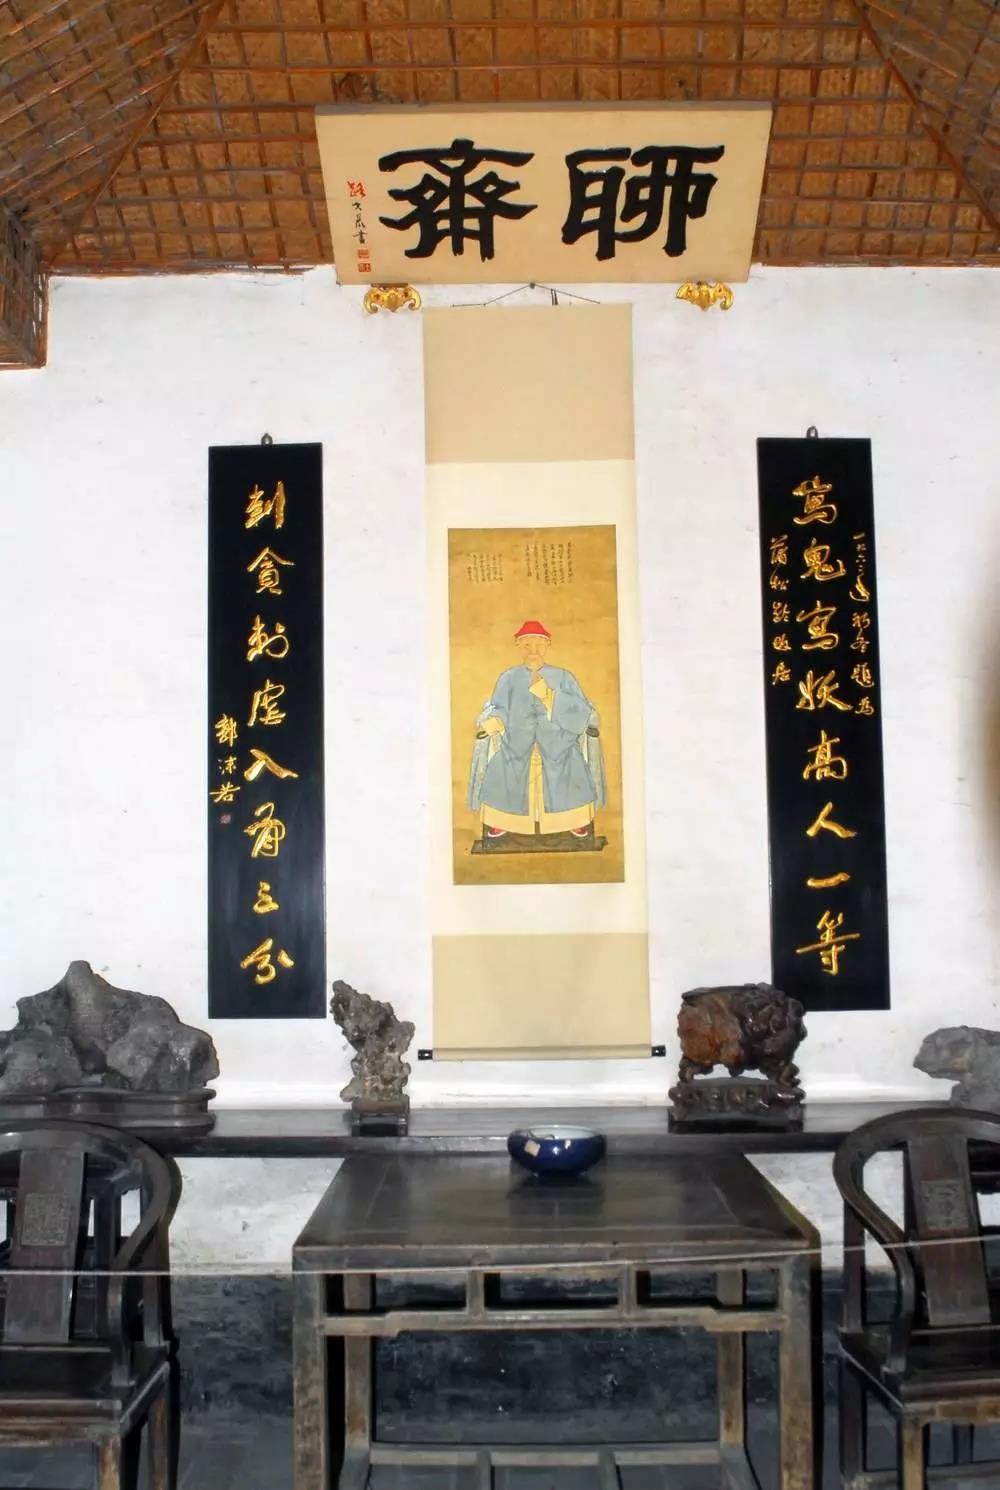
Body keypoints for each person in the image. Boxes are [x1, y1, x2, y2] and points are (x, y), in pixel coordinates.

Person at [467, 619, 606, 842]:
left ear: (547, 645)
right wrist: (495, 721)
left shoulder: (563, 677)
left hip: (559, 744)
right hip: (516, 744)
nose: (533, 650)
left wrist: (551, 698)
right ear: (518, 646)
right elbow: (500, 708)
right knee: (503, 769)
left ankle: (571, 820)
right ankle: (505, 821)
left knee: (571, 767)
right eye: (526, 645)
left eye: (539, 645)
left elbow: (583, 712)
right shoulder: (508, 678)